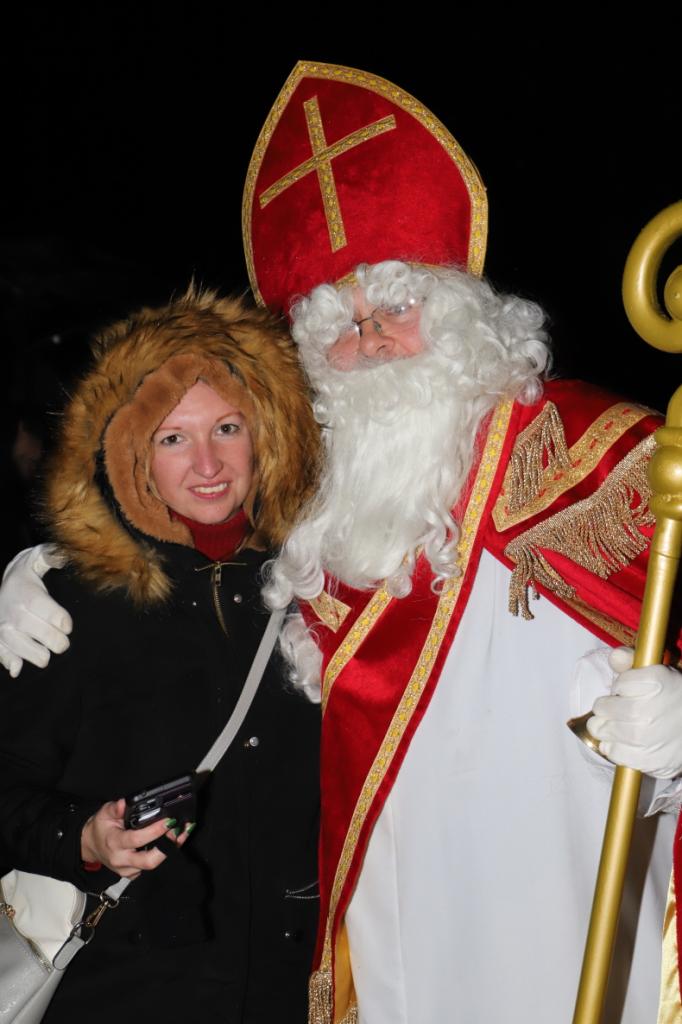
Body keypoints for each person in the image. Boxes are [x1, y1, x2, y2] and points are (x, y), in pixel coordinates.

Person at [3, 62, 682, 1023]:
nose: (370, 344)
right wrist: (37, 570)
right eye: (341, 328)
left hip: (567, 899)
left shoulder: (601, 454)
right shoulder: (326, 513)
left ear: (460, 312)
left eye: (395, 309)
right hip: (389, 930)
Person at [0, 286, 322, 1023]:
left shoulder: (318, 588)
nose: (207, 463)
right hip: (129, 990)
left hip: (292, 982)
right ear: (130, 450)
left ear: (268, 432)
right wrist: (84, 835)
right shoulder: (71, 603)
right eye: (173, 437)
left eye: (227, 428)